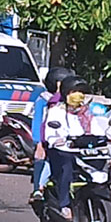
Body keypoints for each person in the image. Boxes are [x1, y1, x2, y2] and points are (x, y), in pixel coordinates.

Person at [44, 75, 95, 221]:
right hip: (62, 151)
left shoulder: (87, 112)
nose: (78, 95)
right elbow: (51, 129)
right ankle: (64, 205)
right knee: (66, 168)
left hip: (81, 150)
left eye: (80, 91)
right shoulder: (57, 111)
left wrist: (108, 137)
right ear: (66, 93)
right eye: (74, 91)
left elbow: (96, 127)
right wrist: (55, 139)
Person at [29, 67, 75, 203]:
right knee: (42, 159)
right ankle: (38, 189)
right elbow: (37, 122)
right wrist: (38, 144)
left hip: (65, 138)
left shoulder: (70, 99)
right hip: (47, 138)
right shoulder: (44, 100)